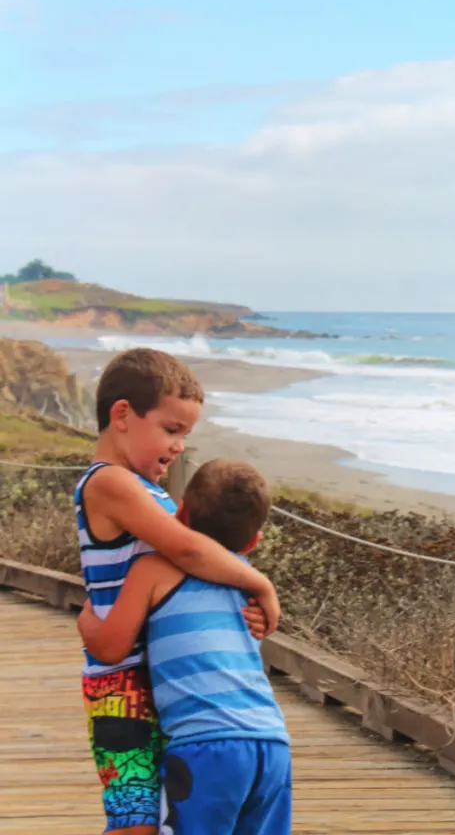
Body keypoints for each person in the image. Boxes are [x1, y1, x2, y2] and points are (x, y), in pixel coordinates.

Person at [75, 348, 280, 835]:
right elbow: (187, 552)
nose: (178, 446)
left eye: (186, 435)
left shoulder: (156, 492)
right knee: (134, 822)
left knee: (176, 814)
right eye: (171, 430)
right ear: (122, 415)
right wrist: (258, 581)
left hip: (170, 680)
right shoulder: (109, 483)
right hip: (122, 683)